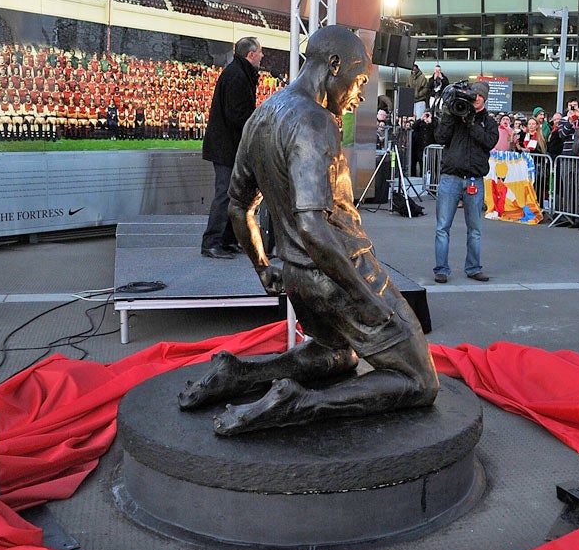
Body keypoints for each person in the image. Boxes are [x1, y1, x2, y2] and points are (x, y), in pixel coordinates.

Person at [178, 25, 438, 433]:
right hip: (339, 270)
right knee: (420, 380)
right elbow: (314, 226)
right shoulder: (315, 122)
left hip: (298, 275)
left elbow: (237, 205)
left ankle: (238, 376)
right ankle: (300, 404)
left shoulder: (263, 114)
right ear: (334, 65)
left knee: (337, 355)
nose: (360, 95)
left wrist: (264, 267)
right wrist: (362, 293)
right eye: (360, 80)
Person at [200, 36, 262, 259]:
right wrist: (257, 122)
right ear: (251, 54)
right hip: (226, 147)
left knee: (232, 194)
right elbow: (237, 115)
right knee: (225, 194)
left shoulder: (240, 72)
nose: (263, 56)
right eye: (261, 52)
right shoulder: (237, 75)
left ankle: (227, 240)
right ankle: (212, 242)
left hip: (230, 146)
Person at [433, 80, 498, 283]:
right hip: (450, 178)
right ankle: (441, 270)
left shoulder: (489, 122)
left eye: (479, 96)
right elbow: (441, 137)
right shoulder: (455, 115)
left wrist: (472, 125)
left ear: (484, 98)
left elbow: (489, 142)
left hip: (474, 180)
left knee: (475, 229)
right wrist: (449, 116)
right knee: (442, 227)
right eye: (473, 95)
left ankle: (473, 268)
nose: (475, 99)